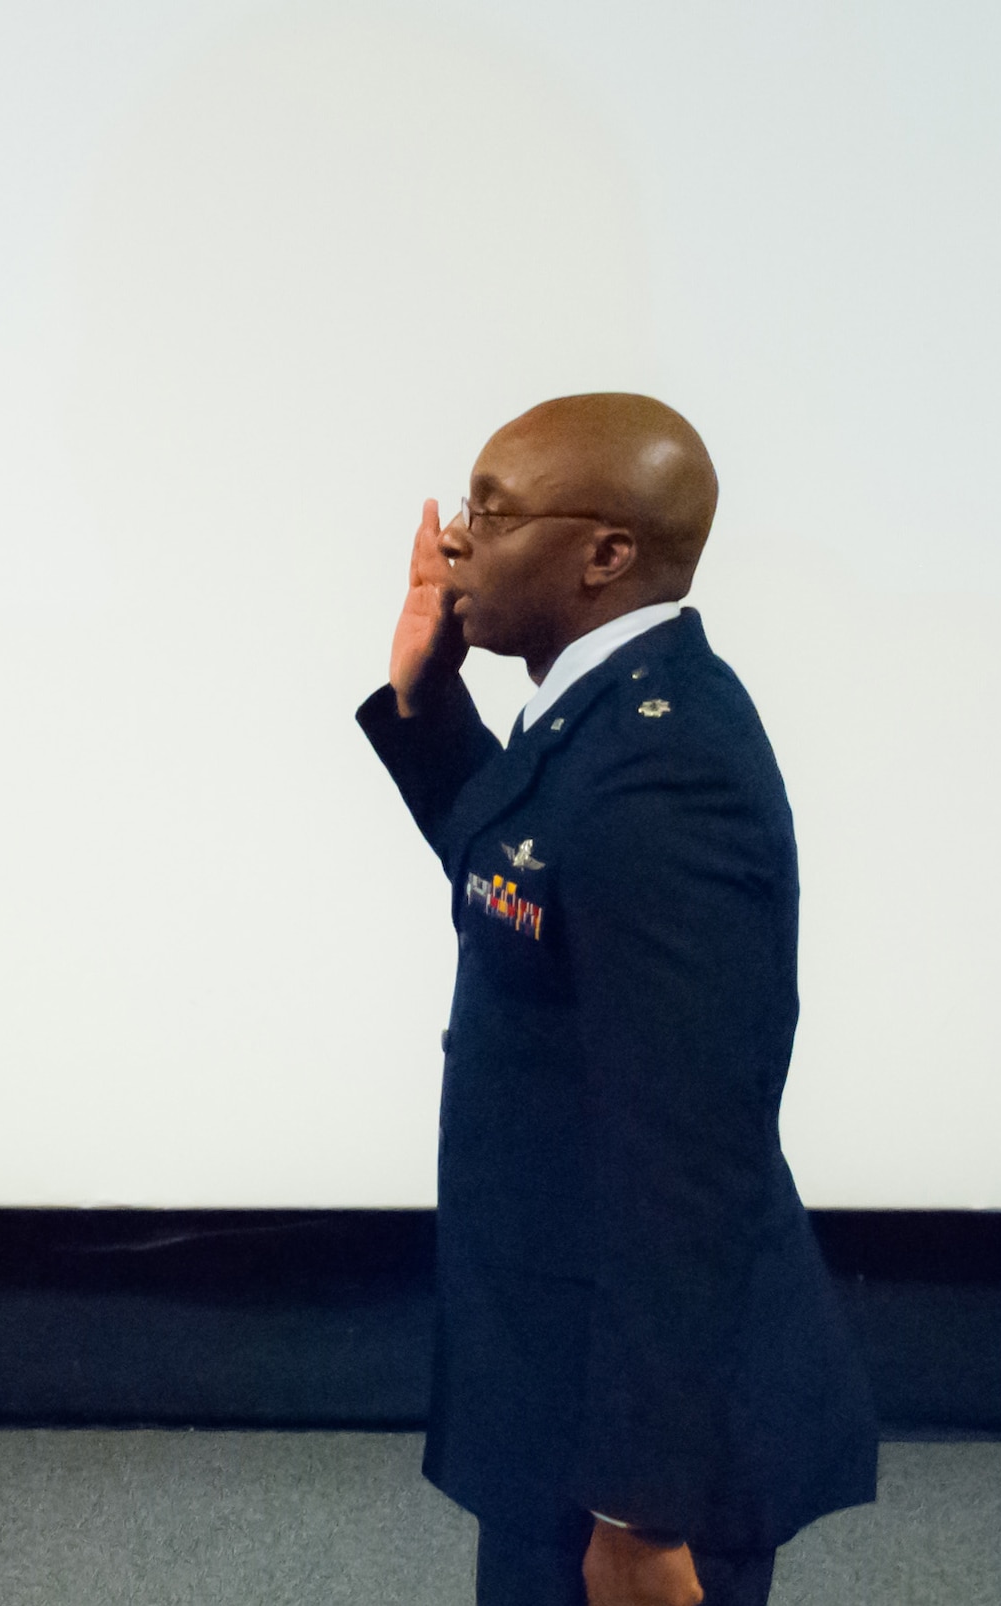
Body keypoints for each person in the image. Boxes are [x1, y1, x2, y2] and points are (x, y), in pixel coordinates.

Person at [356, 394, 877, 1606]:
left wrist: (641, 1507)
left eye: (491, 512)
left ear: (603, 556)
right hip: (560, 1379)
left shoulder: (669, 762)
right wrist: (426, 706)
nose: (450, 543)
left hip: (639, 1436)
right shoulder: (600, 709)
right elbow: (524, 888)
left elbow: (688, 1153)